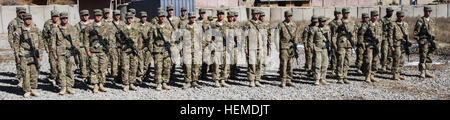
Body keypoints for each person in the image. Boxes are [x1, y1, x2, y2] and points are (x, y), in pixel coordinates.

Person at [14, 13, 44, 97]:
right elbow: (16, 44)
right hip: (24, 54)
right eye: (27, 19)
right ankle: (27, 90)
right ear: (24, 20)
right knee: (25, 72)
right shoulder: (19, 30)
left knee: (35, 72)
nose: (28, 21)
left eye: (30, 19)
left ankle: (33, 89)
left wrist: (41, 54)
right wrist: (17, 56)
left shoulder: (36, 29)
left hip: (35, 54)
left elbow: (41, 42)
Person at [84, 9, 113, 93]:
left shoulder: (106, 26)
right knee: (94, 69)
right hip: (93, 52)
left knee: (103, 69)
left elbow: (110, 38)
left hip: (103, 51)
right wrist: (87, 50)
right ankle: (95, 85)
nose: (98, 17)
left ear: (102, 16)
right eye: (97, 16)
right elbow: (85, 39)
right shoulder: (90, 26)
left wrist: (109, 49)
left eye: (100, 16)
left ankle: (101, 84)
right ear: (94, 16)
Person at [52, 12, 80, 95]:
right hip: (60, 53)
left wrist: (76, 50)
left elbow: (77, 40)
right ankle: (63, 87)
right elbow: (53, 42)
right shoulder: (56, 29)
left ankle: (69, 86)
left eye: (66, 18)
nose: (64, 20)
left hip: (70, 53)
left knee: (70, 70)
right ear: (61, 19)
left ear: (68, 19)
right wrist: (54, 53)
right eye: (63, 18)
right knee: (61, 70)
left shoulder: (72, 28)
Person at [119, 12, 141, 91]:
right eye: (128, 18)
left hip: (134, 51)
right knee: (125, 68)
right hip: (125, 51)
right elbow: (118, 40)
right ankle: (126, 84)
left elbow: (139, 40)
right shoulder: (122, 28)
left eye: (131, 18)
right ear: (126, 19)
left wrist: (138, 49)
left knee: (134, 67)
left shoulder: (136, 28)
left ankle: (131, 83)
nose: (130, 20)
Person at [276, 11, 299, 87]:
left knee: (290, 64)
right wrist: (277, 46)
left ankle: (289, 79)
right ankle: (283, 80)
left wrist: (295, 44)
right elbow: (277, 36)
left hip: (291, 47)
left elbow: (296, 35)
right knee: (284, 64)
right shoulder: (281, 25)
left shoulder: (294, 25)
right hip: (284, 47)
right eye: (288, 16)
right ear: (285, 17)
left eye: (290, 16)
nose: (289, 18)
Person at [180, 12, 202, 89]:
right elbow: (180, 40)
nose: (192, 19)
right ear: (188, 18)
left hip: (196, 49)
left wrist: (201, 49)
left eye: (193, 17)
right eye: (191, 18)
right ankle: (187, 82)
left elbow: (201, 39)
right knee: (187, 66)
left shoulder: (198, 27)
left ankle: (194, 81)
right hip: (187, 49)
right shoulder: (184, 27)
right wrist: (181, 49)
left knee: (196, 65)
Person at [153, 11, 174, 91]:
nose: (162, 18)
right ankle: (158, 83)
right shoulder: (155, 27)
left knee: (167, 67)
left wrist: (171, 47)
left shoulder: (169, 27)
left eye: (163, 16)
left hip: (167, 50)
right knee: (158, 67)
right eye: (160, 16)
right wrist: (152, 51)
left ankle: (164, 82)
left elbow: (173, 38)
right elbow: (151, 40)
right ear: (158, 17)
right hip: (158, 50)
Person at [414, 6, 437, 78]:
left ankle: (426, 70)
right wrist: (419, 41)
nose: (429, 12)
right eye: (428, 11)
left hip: (431, 41)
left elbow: (433, 31)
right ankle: (422, 72)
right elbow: (415, 32)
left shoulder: (432, 20)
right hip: (424, 41)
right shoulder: (420, 20)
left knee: (429, 56)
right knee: (423, 56)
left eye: (430, 11)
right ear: (424, 11)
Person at [8, 7, 27, 87]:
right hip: (18, 46)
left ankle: (27, 78)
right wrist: (13, 46)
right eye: (20, 13)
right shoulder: (13, 22)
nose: (22, 14)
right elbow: (10, 35)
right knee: (19, 62)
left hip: (27, 46)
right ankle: (21, 79)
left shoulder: (27, 21)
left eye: (23, 13)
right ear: (17, 13)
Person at [309, 16, 331, 85]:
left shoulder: (327, 29)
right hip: (317, 48)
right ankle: (317, 79)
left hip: (325, 49)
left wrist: (329, 47)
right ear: (319, 22)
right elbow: (310, 40)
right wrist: (312, 48)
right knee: (317, 64)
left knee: (325, 64)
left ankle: (323, 78)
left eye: (325, 21)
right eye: (322, 21)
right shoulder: (315, 29)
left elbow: (329, 38)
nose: (324, 23)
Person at [336, 8, 356, 84]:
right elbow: (335, 34)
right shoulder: (339, 22)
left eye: (348, 13)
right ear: (343, 13)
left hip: (349, 44)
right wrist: (335, 44)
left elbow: (354, 33)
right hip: (341, 44)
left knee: (347, 61)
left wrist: (354, 42)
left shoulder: (352, 22)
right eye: (345, 13)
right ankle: (340, 77)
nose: (347, 14)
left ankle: (345, 76)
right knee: (341, 60)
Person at [42, 10, 59, 86]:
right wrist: (46, 47)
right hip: (51, 47)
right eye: (54, 16)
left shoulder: (61, 22)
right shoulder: (47, 24)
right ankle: (54, 78)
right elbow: (44, 37)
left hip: (60, 47)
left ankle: (60, 79)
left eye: (57, 16)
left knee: (61, 64)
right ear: (51, 16)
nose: (55, 18)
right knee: (53, 64)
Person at [391, 11, 410, 81]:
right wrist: (391, 45)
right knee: (396, 59)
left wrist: (408, 43)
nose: (401, 18)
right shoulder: (393, 24)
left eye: (402, 16)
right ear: (397, 16)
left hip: (403, 44)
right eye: (400, 16)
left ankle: (398, 73)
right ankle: (395, 74)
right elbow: (390, 36)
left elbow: (407, 35)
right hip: (396, 44)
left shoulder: (405, 24)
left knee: (402, 60)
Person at [74, 9, 91, 82]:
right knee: (83, 61)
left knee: (91, 61)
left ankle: (91, 75)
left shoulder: (91, 25)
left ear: (89, 16)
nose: (85, 17)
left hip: (91, 46)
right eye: (83, 15)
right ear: (81, 16)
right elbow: (75, 37)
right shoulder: (77, 26)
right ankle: (84, 76)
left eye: (86, 15)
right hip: (82, 46)